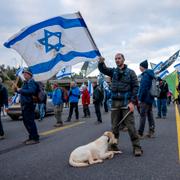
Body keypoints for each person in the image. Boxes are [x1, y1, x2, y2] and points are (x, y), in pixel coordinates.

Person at [98, 53, 143, 156]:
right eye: (116, 59)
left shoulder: (131, 73)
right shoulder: (113, 72)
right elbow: (103, 69)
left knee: (131, 127)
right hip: (114, 103)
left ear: (123, 59)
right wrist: (101, 62)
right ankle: (114, 146)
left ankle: (137, 147)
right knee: (114, 127)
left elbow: (136, 87)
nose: (117, 60)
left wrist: (132, 102)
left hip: (126, 102)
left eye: (119, 58)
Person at [15, 68, 39, 145]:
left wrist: (20, 90)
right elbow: (23, 91)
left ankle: (35, 138)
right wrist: (17, 90)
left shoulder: (31, 82)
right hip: (25, 104)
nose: (24, 75)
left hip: (29, 104)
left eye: (25, 73)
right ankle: (31, 137)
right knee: (26, 122)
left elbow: (31, 91)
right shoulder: (26, 82)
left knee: (30, 121)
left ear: (29, 75)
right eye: (23, 74)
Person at [138, 60, 155, 138]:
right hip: (150, 97)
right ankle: (151, 131)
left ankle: (140, 133)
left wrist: (140, 98)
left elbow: (143, 88)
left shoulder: (145, 75)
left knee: (143, 115)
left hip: (145, 98)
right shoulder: (151, 74)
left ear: (142, 67)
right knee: (150, 114)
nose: (139, 68)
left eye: (140, 66)